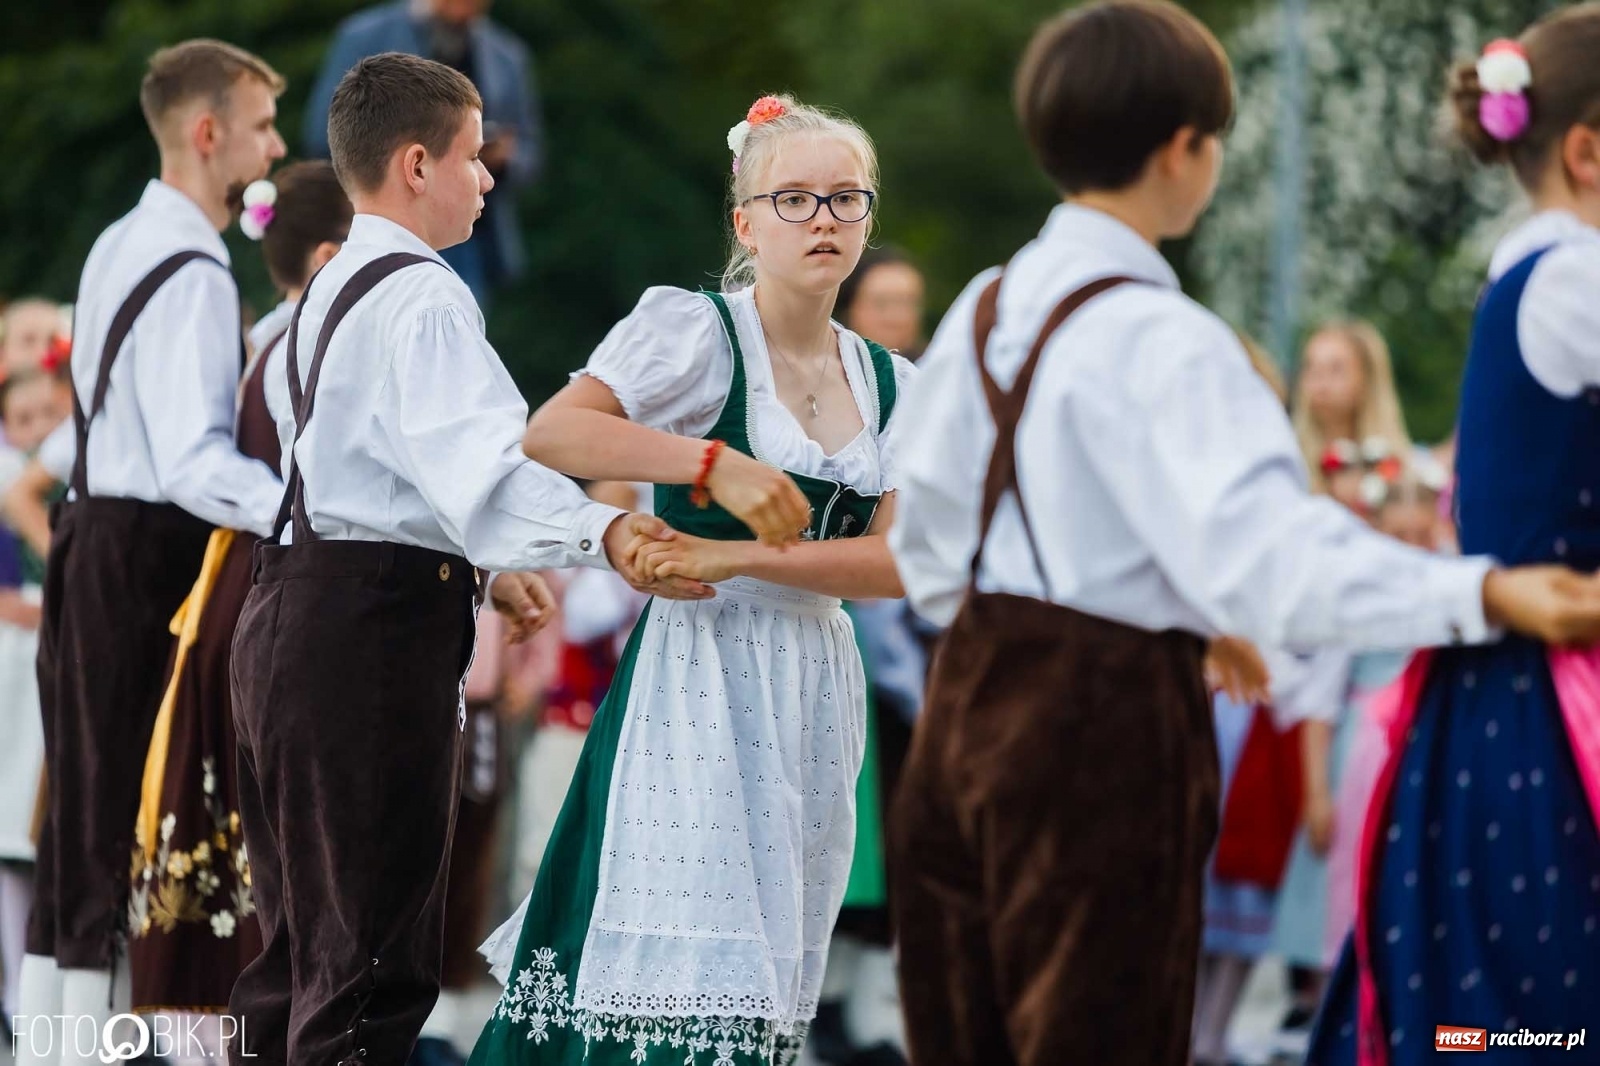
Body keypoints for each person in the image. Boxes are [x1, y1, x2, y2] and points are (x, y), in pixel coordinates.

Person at [883, 4, 1600, 1066]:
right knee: (1101, 1033)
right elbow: (1274, 559)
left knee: (962, 1031)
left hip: (964, 717)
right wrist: (1482, 593)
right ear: (1185, 152)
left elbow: (934, 550)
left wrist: (1048, 625)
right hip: (1107, 729)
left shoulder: (988, 304)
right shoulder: (1169, 338)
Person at [224, 52, 723, 1065]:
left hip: (290, 611)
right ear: (416, 164)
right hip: (363, 636)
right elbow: (491, 459)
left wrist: (487, 566)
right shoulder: (424, 296)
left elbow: (364, 466)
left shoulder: (326, 289)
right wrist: (611, 530)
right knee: (365, 963)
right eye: (473, 155)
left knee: (296, 952)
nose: (489, 178)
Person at [468, 93, 912, 1066]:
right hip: (700, 674)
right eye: (793, 199)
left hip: (813, 680)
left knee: (767, 979)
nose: (824, 219)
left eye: (845, 199)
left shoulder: (890, 382)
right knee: (682, 963)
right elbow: (553, 430)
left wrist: (745, 551)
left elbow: (901, 561)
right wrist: (711, 465)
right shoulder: (700, 333)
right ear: (746, 222)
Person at [1309, 9, 1600, 1062]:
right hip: (1558, 696)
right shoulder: (1576, 278)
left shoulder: (1531, 273)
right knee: (1546, 1015)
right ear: (1587, 150)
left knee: (1499, 1013)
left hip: (1498, 692)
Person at [11, 40, 288, 1064]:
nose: (275, 146)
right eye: (262, 125)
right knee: (131, 804)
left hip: (96, 535)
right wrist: (300, 512)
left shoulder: (117, 240)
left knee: (83, 810)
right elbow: (191, 462)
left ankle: (54, 1042)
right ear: (206, 131)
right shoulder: (193, 269)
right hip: (146, 546)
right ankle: (81, 1051)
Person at [115, 160, 350, 1064]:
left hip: (232, 589)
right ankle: (245, 1035)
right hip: (272, 582)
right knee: (264, 827)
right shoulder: (306, 346)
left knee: (230, 811)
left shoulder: (267, 338)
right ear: (331, 253)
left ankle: (216, 1034)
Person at [302, 0, 542, 305]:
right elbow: (326, 133)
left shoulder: (506, 54)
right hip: (388, 223)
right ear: (415, 164)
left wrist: (498, 157)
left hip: (473, 238)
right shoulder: (366, 36)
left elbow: (531, 150)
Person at [0, 366, 68, 1041]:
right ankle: (20, 996)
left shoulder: (74, 480)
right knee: (11, 833)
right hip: (12, 674)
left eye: (51, 412)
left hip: (54, 665)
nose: (39, 428)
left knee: (47, 830)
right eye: (24, 418)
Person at [1293, 320, 1412, 493]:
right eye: (1311, 368)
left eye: (1336, 369)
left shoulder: (1395, 468)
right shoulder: (1288, 461)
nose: (1320, 382)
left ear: (1368, 380)